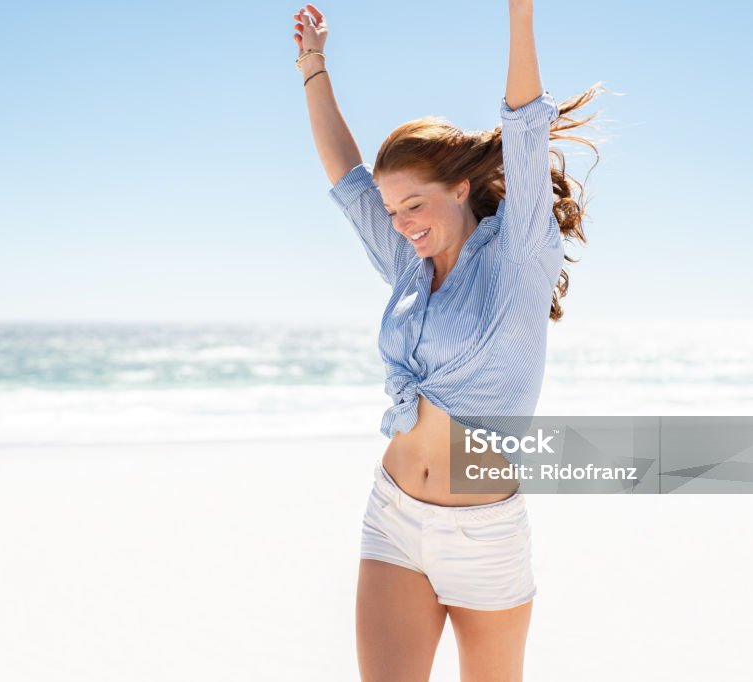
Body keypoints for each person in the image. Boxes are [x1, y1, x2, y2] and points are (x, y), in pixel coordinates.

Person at [293, 2, 602, 679]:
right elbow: (346, 181)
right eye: (393, 209)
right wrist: (313, 66)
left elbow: (525, 126)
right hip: (394, 514)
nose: (400, 223)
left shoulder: (519, 258)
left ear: (461, 187)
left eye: (415, 204)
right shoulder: (408, 265)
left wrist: (520, 14)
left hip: (482, 534)